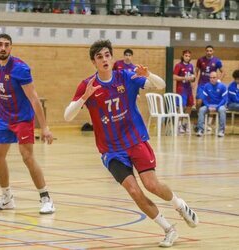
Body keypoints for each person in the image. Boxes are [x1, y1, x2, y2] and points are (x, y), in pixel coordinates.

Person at [64, 39, 199, 247]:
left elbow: (161, 85)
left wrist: (149, 74)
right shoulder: (88, 85)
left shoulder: (125, 76)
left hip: (135, 140)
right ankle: (168, 229)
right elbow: (67, 116)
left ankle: (179, 205)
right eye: (99, 57)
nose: (104, 59)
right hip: (111, 151)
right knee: (135, 192)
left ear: (112, 57)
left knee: (151, 185)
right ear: (94, 62)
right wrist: (83, 98)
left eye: (107, 55)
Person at [0, 33, 55, 214]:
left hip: (22, 118)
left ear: (11, 47)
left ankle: (46, 198)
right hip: (4, 117)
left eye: (6, 45)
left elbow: (34, 99)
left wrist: (45, 128)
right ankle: (6, 198)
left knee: (27, 157)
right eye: (0, 44)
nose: (3, 48)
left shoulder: (20, 69)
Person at [195, 45, 225, 131]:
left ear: (213, 51)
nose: (209, 52)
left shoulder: (217, 61)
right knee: (198, 102)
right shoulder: (200, 60)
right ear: (205, 51)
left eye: (210, 50)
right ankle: (200, 121)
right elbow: (196, 70)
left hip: (212, 85)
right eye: (207, 50)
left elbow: (223, 72)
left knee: (212, 103)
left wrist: (218, 81)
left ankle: (209, 123)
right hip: (202, 84)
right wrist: (194, 81)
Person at [196, 71, 227, 137]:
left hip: (219, 105)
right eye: (210, 78)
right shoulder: (206, 86)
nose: (212, 79)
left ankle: (221, 131)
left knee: (222, 110)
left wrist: (217, 106)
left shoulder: (223, 86)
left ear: (217, 77)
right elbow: (204, 98)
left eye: (214, 77)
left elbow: (224, 99)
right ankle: (200, 130)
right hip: (209, 105)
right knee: (201, 109)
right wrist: (208, 106)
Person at [173, 49, 195, 133]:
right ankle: (178, 124)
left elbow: (192, 76)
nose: (187, 57)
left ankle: (185, 124)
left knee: (190, 105)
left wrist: (193, 79)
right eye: (186, 55)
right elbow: (174, 77)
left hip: (188, 88)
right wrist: (185, 78)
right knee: (181, 107)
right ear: (183, 56)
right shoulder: (178, 65)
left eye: (189, 56)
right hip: (181, 89)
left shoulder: (191, 66)